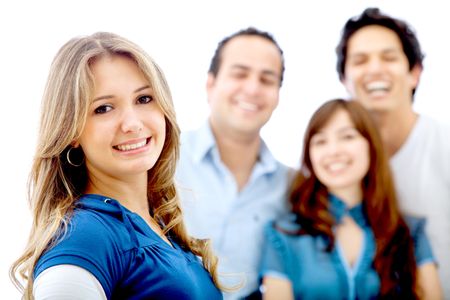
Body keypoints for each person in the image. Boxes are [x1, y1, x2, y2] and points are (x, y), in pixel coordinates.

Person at [10, 32, 223, 300]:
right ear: (71, 131)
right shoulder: (86, 238)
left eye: (144, 99)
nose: (132, 123)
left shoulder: (158, 227)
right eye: (104, 108)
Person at [259, 99, 442, 299]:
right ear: (309, 156)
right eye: (320, 141)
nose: (334, 151)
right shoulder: (283, 235)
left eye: (347, 137)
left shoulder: (408, 232)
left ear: (371, 145)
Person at [336, 7, 450, 297]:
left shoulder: (443, 146)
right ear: (344, 80)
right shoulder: (333, 166)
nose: (375, 69)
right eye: (360, 60)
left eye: (389, 57)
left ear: (414, 73)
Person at [176, 27, 290, 299]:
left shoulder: (292, 187)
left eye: (267, 79)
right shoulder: (164, 158)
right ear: (210, 84)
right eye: (240, 74)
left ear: (277, 94)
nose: (252, 88)